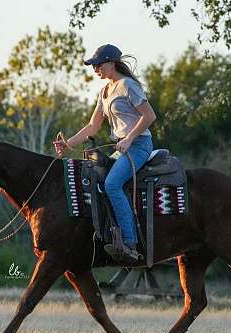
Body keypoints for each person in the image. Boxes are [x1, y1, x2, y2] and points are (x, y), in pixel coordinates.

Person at [53, 44, 156, 263]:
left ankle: (129, 243)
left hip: (139, 145)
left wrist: (128, 138)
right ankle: (107, 235)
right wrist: (67, 144)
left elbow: (149, 116)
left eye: (98, 64)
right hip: (122, 147)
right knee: (96, 181)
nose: (95, 69)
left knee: (111, 184)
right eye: (93, 65)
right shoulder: (105, 91)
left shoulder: (128, 85)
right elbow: (93, 126)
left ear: (112, 63)